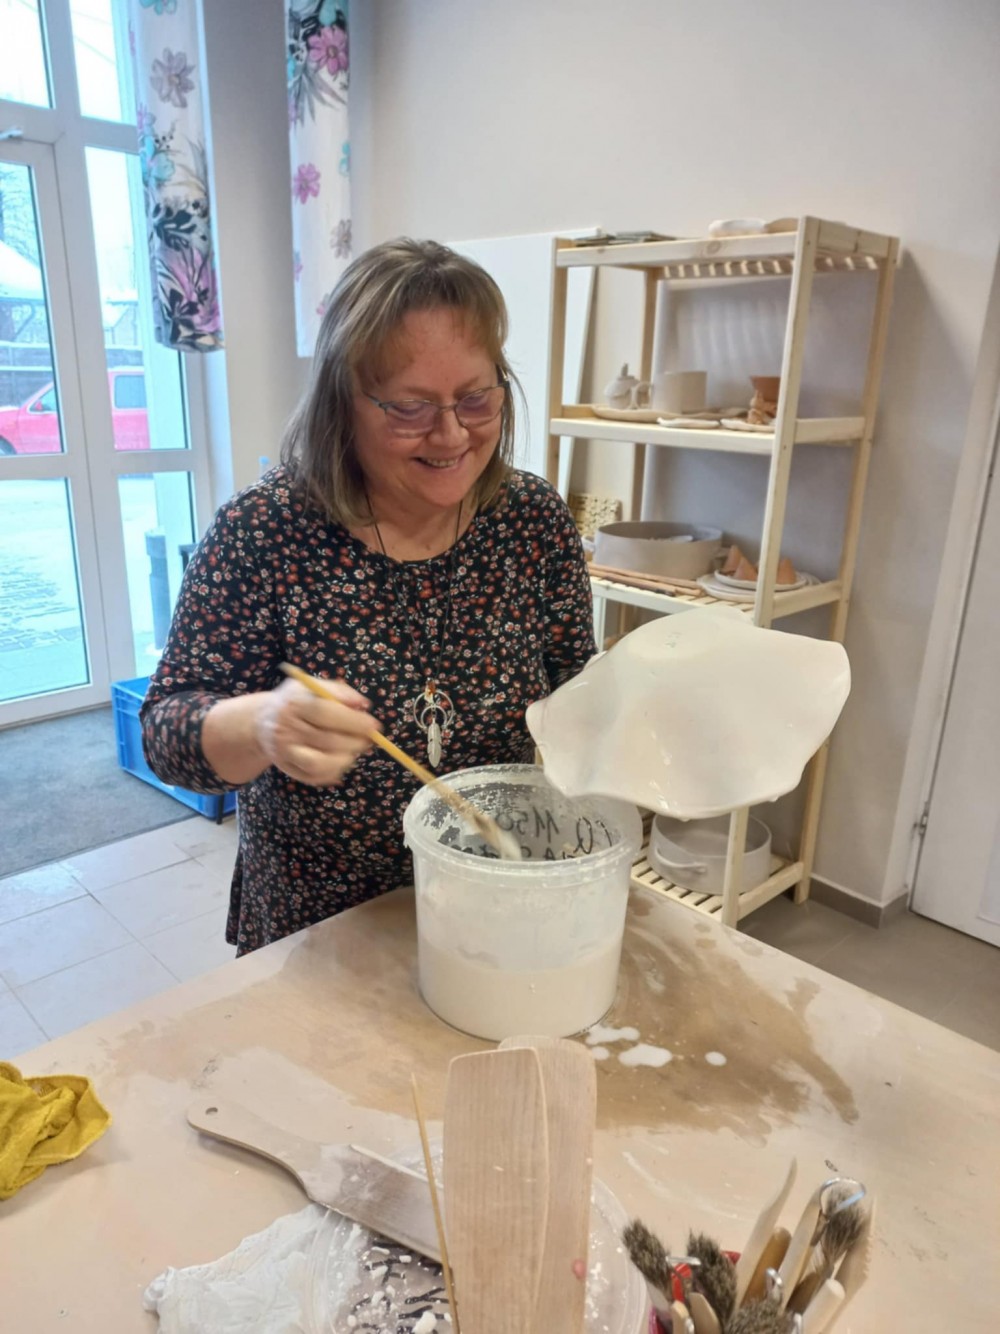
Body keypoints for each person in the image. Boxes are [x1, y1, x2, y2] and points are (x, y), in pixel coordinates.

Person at [142, 237, 596, 954]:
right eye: (410, 407)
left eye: (476, 398)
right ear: (342, 404)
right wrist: (263, 725)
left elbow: (577, 688)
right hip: (319, 930)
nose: (451, 433)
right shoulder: (266, 531)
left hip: (487, 907)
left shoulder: (531, 521)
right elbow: (166, 733)